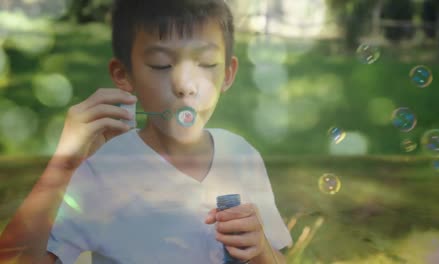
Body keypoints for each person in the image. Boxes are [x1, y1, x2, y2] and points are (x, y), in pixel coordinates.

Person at [0, 0, 292, 263]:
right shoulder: (102, 168)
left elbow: (276, 257)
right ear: (123, 75)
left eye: (206, 64)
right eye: (161, 64)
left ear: (227, 74)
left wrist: (262, 249)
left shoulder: (240, 154)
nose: (185, 85)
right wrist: (62, 167)